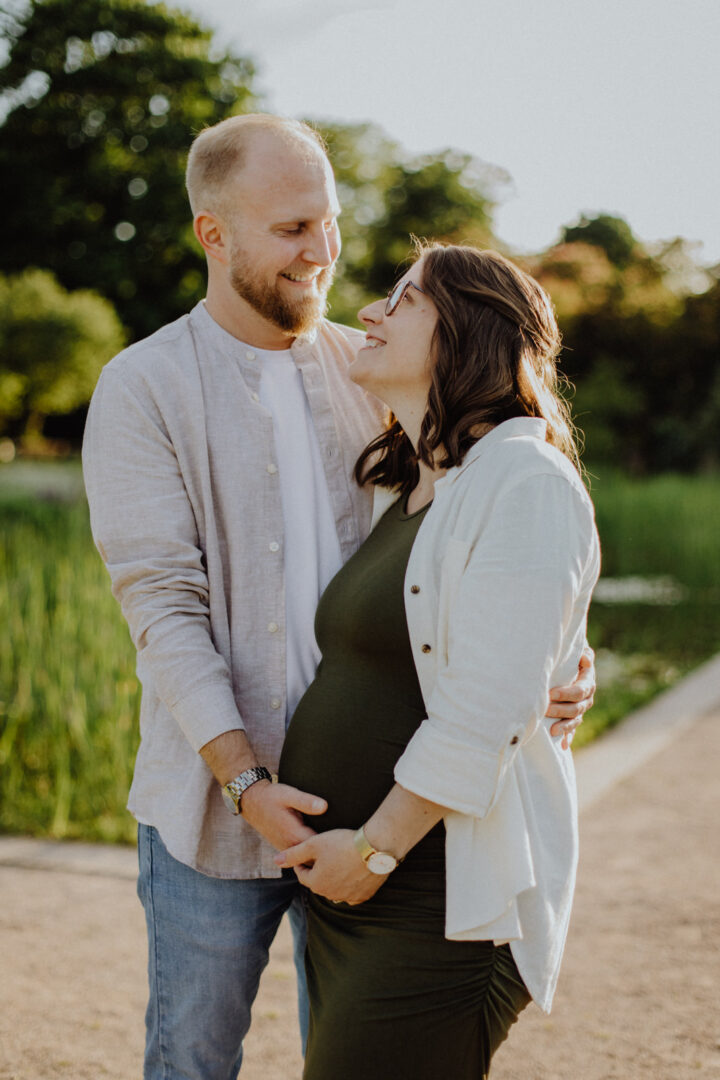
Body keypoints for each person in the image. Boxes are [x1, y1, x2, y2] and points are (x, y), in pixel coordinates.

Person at [82, 115, 595, 1080]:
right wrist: (243, 780)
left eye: (331, 224)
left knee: (355, 1056)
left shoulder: (381, 371)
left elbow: (491, 540)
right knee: (190, 1058)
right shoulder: (142, 386)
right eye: (290, 231)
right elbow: (162, 605)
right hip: (214, 810)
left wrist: (563, 654)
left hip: (379, 824)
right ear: (213, 234)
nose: (323, 256)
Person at [276, 242, 601, 1079]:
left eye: (403, 299)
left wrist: (375, 851)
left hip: (438, 898)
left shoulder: (524, 477)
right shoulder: (413, 483)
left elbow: (487, 707)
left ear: (469, 333)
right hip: (364, 889)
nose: (370, 315)